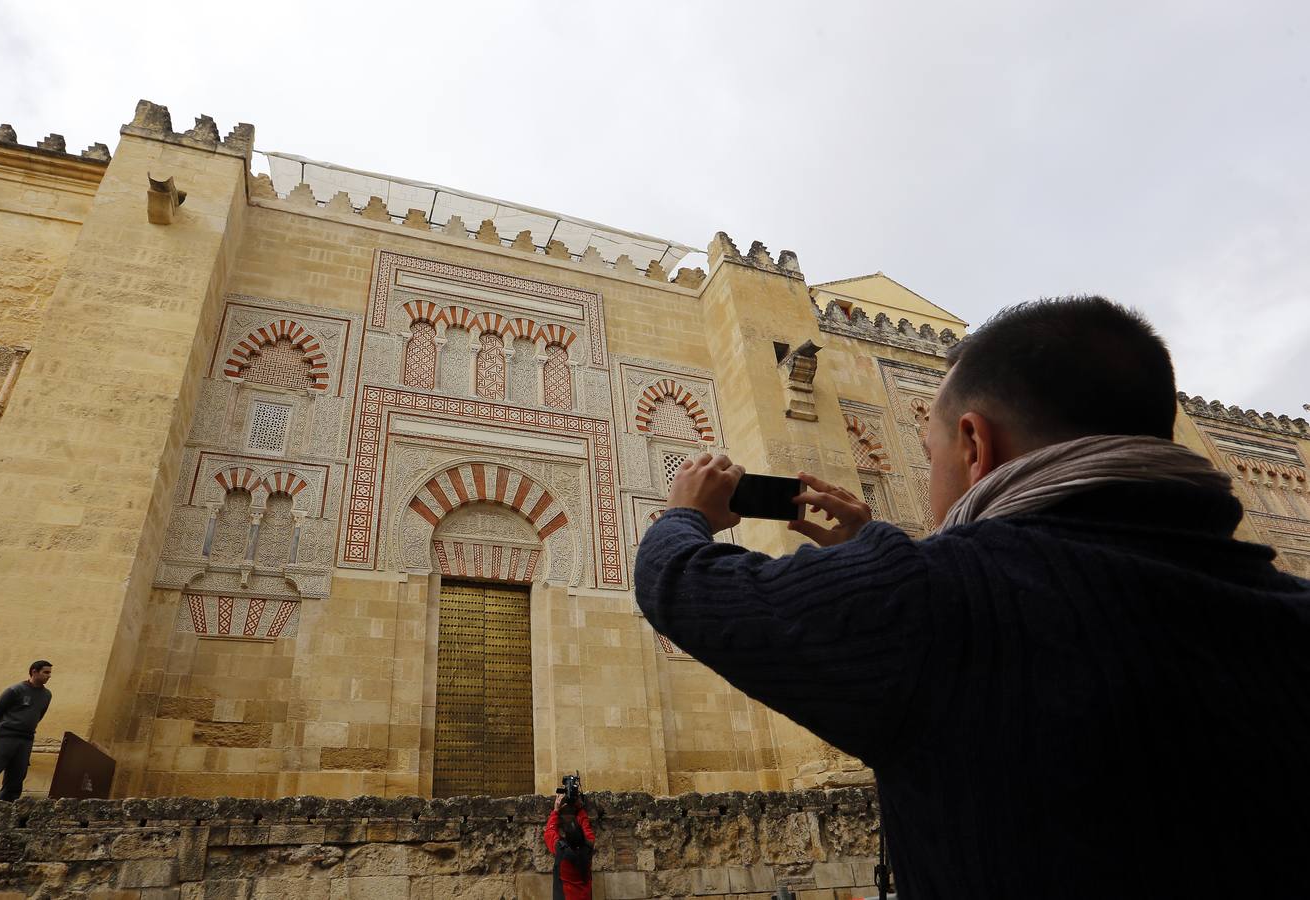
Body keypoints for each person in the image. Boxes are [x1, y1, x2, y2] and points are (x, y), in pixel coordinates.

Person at [634, 297, 1310, 898]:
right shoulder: (1288, 605)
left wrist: (682, 515)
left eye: (928, 451)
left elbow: (685, 586)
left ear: (972, 443)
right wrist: (880, 550)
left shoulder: (939, 601)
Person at [0, 660, 53, 801]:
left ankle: (6, 810)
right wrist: (2, 730)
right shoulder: (15, 690)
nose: (49, 676)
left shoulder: (47, 695)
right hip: (5, 737)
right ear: (34, 672)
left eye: (50, 673)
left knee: (17, 776)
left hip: (26, 739)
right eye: (46, 672)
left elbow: (38, 715)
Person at [544, 791, 595, 900]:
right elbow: (586, 827)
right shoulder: (588, 847)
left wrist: (556, 811)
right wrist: (580, 808)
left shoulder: (561, 850)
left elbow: (550, 832)